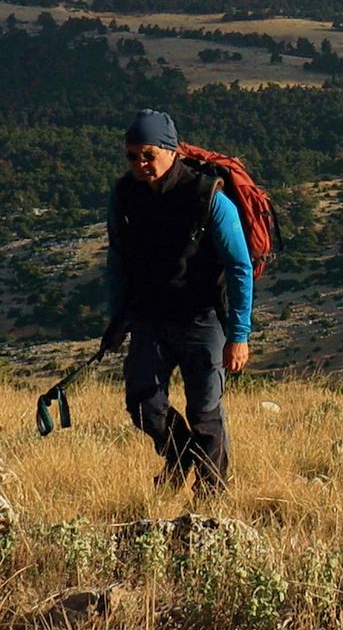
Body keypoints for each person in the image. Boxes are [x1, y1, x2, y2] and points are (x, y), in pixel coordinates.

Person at [102, 109, 253, 496]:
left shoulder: (210, 199)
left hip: (203, 320)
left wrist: (239, 335)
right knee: (142, 403)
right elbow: (118, 259)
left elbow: (239, 266)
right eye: (132, 156)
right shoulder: (125, 196)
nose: (140, 164)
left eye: (148, 154)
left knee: (204, 414)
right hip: (150, 318)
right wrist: (118, 318)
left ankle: (211, 503)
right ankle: (181, 453)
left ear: (172, 152)